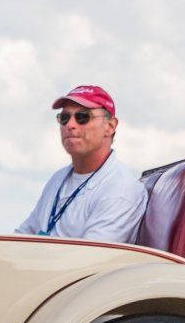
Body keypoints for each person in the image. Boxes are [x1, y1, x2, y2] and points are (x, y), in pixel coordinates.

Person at [14, 84, 147, 243]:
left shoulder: (120, 189)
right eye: (64, 118)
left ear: (110, 126)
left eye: (82, 117)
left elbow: (90, 260)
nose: (70, 125)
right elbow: (22, 236)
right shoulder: (58, 178)